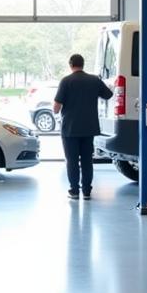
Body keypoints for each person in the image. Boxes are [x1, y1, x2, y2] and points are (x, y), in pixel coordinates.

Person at [53, 53, 113, 201]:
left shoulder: (66, 81)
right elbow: (109, 95)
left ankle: (74, 191)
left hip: (70, 128)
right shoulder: (94, 80)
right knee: (87, 160)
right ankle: (86, 191)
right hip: (89, 127)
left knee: (72, 160)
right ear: (83, 64)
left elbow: (56, 107)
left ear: (70, 65)